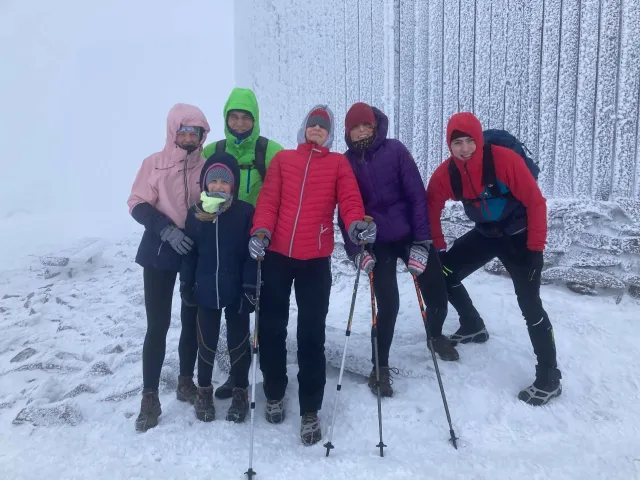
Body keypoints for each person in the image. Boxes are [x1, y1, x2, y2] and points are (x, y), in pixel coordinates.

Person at [248, 105, 376, 445]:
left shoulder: (338, 164)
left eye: (323, 127)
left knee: (311, 333)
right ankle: (274, 392)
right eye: (312, 125)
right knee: (271, 327)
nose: (317, 130)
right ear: (304, 128)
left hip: (315, 260)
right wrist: (260, 231)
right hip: (277, 255)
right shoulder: (283, 160)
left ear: (330, 134)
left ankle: (310, 409)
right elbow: (269, 201)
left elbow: (349, 200)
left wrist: (356, 224)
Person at [426, 111, 562, 406]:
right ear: (449, 145)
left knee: (530, 304)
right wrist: (438, 249)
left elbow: (536, 202)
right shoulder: (448, 173)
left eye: (469, 141)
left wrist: (536, 249)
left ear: (479, 140)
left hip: (519, 237)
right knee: (444, 274)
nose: (464, 149)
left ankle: (550, 377)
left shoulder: (504, 160)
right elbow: (431, 206)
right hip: (486, 234)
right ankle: (472, 324)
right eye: (457, 143)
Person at [338, 102, 459, 398]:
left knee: (437, 290)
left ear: (375, 126)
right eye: (355, 127)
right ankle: (379, 367)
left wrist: (422, 241)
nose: (362, 131)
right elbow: (346, 211)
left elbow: (416, 195)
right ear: (348, 132)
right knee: (388, 303)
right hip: (377, 240)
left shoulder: (395, 150)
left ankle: (435, 334)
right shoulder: (346, 163)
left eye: (366, 125)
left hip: (409, 235)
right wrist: (356, 249)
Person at [127, 103, 211, 431]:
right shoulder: (154, 163)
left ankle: (185, 381)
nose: (189, 137)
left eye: (195, 132)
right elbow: (137, 202)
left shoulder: (206, 165)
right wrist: (165, 229)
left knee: (191, 319)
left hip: (193, 250)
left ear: (203, 135)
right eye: (184, 131)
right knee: (158, 324)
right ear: (173, 132)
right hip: (160, 250)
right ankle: (149, 396)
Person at [201, 87, 284, 400]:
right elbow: (191, 179)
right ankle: (238, 379)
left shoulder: (270, 151)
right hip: (226, 245)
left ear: (255, 119)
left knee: (267, 314)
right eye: (233, 117)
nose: (239, 123)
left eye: (245, 117)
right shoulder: (213, 150)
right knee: (236, 315)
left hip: (263, 243)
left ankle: (273, 381)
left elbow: (289, 187)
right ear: (225, 119)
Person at [179, 151, 256, 423]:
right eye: (214, 181)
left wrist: (250, 286)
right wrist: (186, 283)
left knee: (239, 342)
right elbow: (189, 254)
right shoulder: (195, 213)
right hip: (206, 290)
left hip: (237, 291)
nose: (219, 186)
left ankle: (240, 391)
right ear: (205, 183)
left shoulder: (245, 212)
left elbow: (251, 255)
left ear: (233, 185)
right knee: (206, 342)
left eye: (225, 182)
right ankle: (204, 391)